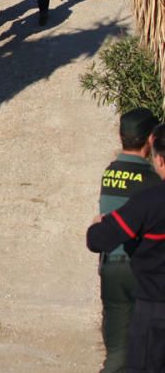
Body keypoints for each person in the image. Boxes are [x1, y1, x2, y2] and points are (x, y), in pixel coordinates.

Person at [88, 124, 165, 372]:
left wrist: (99, 224)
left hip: (154, 306)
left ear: (160, 160)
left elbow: (97, 239)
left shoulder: (150, 201)